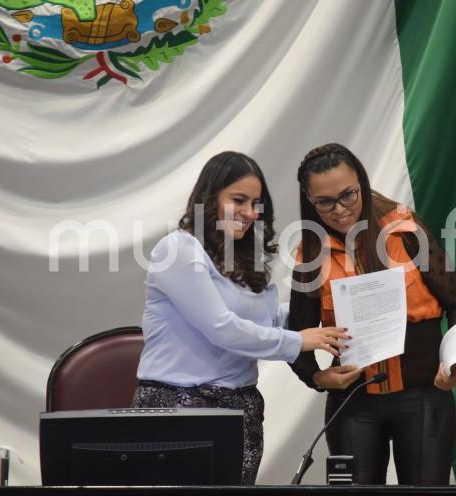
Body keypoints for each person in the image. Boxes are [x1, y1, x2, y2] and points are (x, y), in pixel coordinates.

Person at [131, 151, 350, 485]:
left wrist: (330, 309)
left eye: (256, 203)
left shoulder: (242, 257)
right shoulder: (178, 249)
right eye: (239, 200)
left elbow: (270, 317)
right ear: (210, 198)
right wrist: (299, 340)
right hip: (178, 408)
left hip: (241, 410)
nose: (249, 213)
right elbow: (223, 329)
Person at [289, 143, 456, 485]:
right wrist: (317, 378)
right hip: (354, 403)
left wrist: (454, 363)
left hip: (423, 396)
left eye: (348, 195)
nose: (339, 209)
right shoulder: (310, 254)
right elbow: (295, 336)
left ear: (361, 181)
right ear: (309, 200)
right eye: (324, 202)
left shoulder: (404, 229)